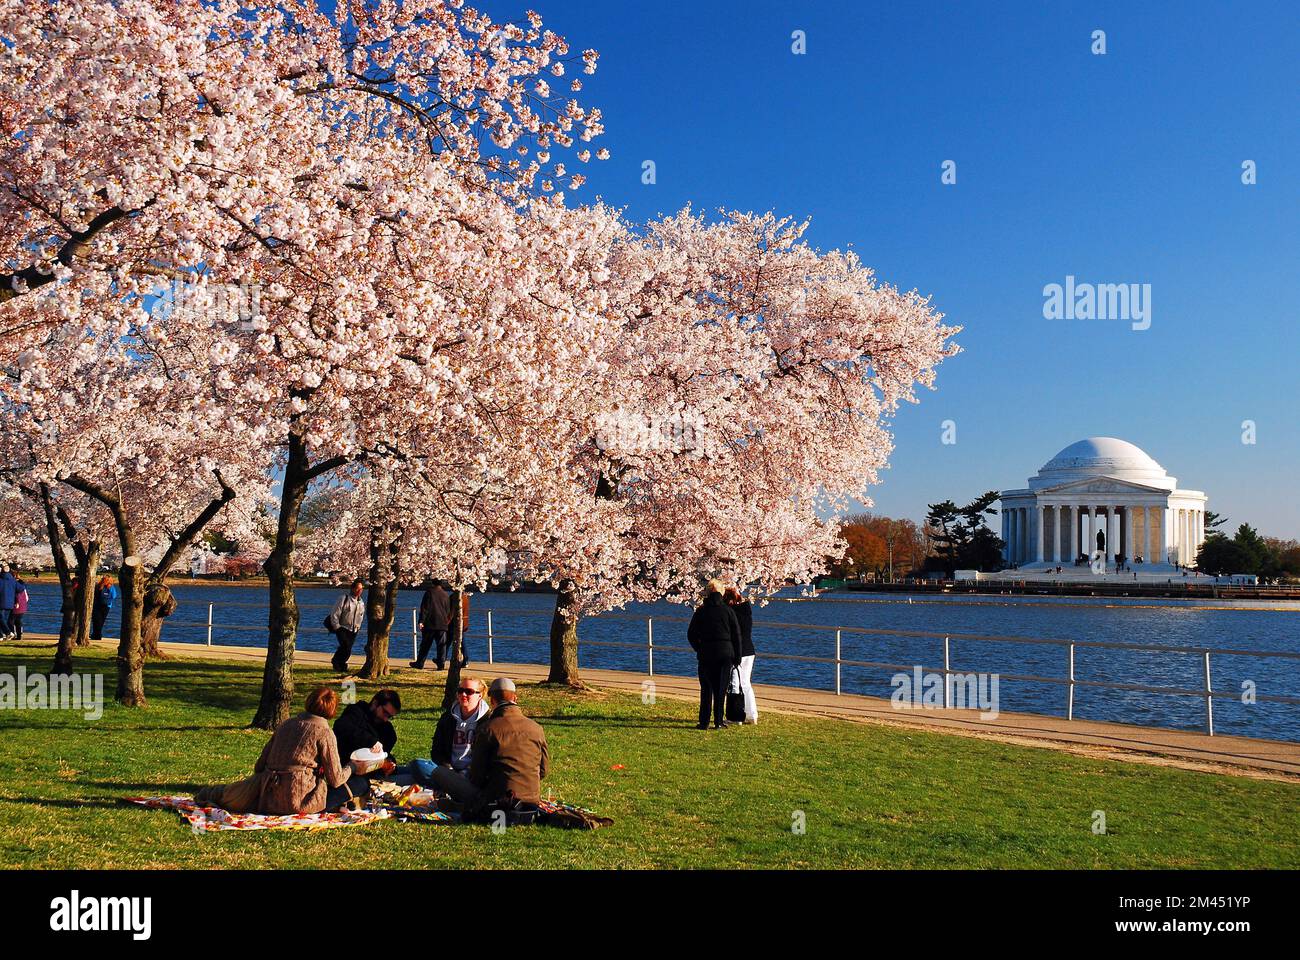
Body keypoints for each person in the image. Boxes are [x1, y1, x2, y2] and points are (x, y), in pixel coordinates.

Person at [195, 686, 367, 814]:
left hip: (268, 797)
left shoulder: (286, 724)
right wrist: (352, 766)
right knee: (359, 783)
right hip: (300, 802)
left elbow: (259, 766)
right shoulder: (324, 732)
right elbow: (336, 779)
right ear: (332, 710)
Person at [461, 677, 549, 822]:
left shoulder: (487, 729)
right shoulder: (536, 728)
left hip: (497, 800)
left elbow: (477, 775)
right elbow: (544, 771)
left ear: (492, 701)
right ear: (515, 698)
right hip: (531, 801)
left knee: (436, 772)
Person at [412, 677, 491, 801]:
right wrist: (448, 770)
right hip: (448, 770)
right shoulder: (448, 717)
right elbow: (437, 750)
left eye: (469, 691)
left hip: (472, 775)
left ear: (480, 695)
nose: (463, 694)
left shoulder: (488, 721)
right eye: (460, 690)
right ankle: (449, 788)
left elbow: (487, 758)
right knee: (417, 765)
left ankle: (452, 790)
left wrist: (467, 772)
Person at [687, 579, 741, 730]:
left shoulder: (701, 611)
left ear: (708, 593)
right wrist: (737, 656)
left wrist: (699, 648)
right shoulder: (729, 611)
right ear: (721, 593)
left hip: (706, 653)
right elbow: (736, 635)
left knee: (706, 688)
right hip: (725, 652)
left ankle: (704, 722)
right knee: (721, 688)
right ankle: (719, 721)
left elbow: (691, 634)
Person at [333, 690, 401, 774]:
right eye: (385, 712)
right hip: (350, 771)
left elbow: (384, 753)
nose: (385, 719)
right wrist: (371, 741)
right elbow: (342, 727)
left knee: (416, 769)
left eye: (389, 716)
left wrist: (389, 763)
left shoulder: (388, 731)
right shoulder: (356, 712)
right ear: (375, 703)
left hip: (375, 773)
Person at [724, 586, 758, 725]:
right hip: (749, 650)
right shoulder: (746, 612)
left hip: (737, 651)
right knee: (746, 683)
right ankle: (752, 714)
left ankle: (736, 716)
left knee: (735, 683)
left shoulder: (731, 614)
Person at [327, 579, 366, 672]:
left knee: (347, 648)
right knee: (346, 646)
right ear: (352, 588)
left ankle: (340, 663)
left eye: (361, 589)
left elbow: (361, 615)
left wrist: (358, 626)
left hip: (354, 629)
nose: (359, 591)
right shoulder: (344, 599)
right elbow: (335, 613)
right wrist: (337, 627)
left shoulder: (361, 602)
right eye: (357, 589)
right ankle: (337, 662)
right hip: (342, 627)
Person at [411, 579, 450, 670]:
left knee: (425, 644)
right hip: (442, 624)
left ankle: (420, 663)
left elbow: (425, 608)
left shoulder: (429, 593)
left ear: (433, 583)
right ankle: (441, 664)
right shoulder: (445, 594)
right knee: (441, 645)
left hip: (430, 623)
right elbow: (448, 610)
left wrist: (421, 621)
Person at [91, 575, 118, 642]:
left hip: (97, 605)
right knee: (101, 620)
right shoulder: (111, 587)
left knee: (96, 620)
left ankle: (96, 634)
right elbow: (114, 596)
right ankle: (97, 634)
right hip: (107, 606)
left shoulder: (98, 586)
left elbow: (94, 595)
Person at [0, 565, 15, 640]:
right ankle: (1, 636)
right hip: (10, 603)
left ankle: (8, 632)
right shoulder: (13, 580)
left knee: (1, 619)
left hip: (1, 602)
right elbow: (21, 588)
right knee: (3, 620)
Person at [11, 575, 28, 642]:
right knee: (18, 621)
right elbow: (27, 598)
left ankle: (13, 634)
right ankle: (19, 635)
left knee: (11, 621)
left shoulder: (15, 589)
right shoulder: (23, 589)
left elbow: (16, 597)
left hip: (16, 607)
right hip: (23, 607)